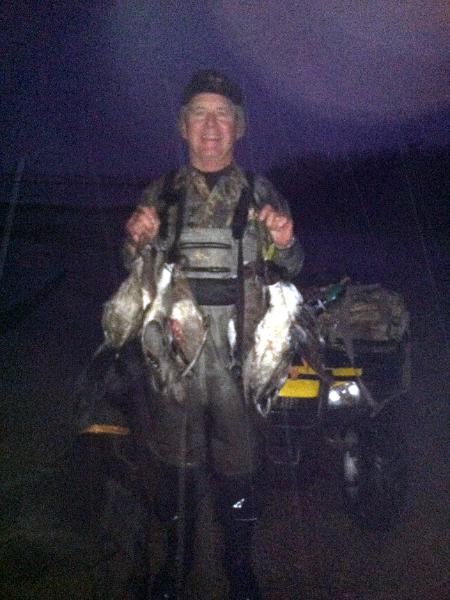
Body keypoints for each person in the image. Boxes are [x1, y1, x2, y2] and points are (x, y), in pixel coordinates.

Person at [119, 70, 304, 600]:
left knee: (239, 471)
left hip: (239, 363)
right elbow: (131, 271)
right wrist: (134, 242)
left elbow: (291, 265)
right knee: (173, 468)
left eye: (222, 113)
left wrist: (286, 242)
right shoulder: (162, 193)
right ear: (183, 127)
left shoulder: (260, 192)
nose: (211, 124)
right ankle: (175, 562)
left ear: (238, 127)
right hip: (172, 360)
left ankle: (238, 563)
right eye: (199, 112)